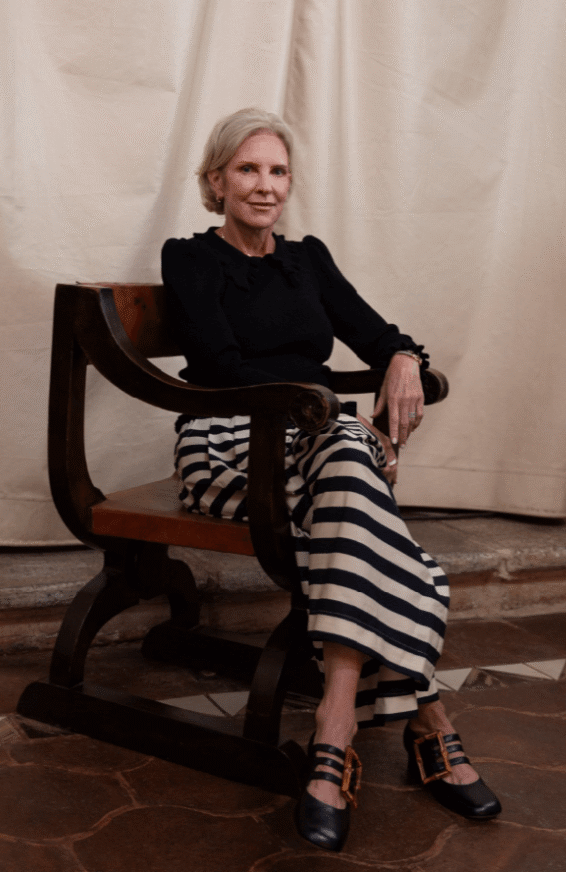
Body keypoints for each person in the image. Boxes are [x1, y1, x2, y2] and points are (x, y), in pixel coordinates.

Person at [162, 108, 501, 852]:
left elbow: (379, 334)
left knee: (346, 476)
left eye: (277, 171)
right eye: (247, 169)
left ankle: (335, 726)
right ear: (215, 181)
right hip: (229, 450)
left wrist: (404, 359)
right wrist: (328, 419)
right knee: (353, 462)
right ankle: (430, 721)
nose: (264, 185)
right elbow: (219, 366)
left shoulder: (307, 258)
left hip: (321, 450)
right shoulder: (189, 258)